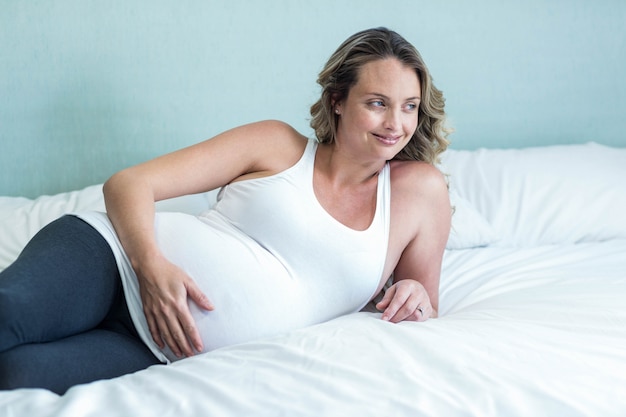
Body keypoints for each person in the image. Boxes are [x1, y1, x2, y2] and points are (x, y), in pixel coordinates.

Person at [0, 27, 451, 394]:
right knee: (10, 316)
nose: (396, 124)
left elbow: (423, 304)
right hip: (110, 260)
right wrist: (151, 267)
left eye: (409, 107)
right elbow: (130, 183)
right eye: (377, 103)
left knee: (17, 378)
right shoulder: (277, 144)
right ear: (337, 100)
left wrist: (412, 293)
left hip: (160, 345)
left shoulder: (420, 193)